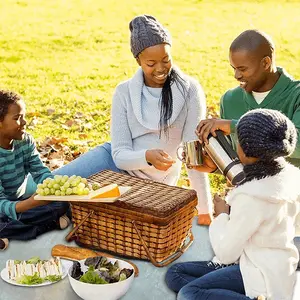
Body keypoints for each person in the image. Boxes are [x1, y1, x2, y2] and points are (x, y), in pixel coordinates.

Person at [53, 15, 214, 225]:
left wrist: (204, 210)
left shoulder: (190, 90)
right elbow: (119, 155)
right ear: (138, 61)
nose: (160, 68)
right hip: (112, 163)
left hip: (148, 186)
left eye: (166, 60)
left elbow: (193, 156)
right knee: (49, 187)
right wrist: (146, 156)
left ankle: (61, 216)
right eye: (151, 63)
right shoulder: (124, 92)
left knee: (76, 206)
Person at [165, 108, 300, 300]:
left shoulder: (251, 197)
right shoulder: (291, 178)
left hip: (259, 273)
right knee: (175, 274)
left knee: (189, 293)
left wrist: (222, 215)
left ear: (245, 150)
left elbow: (226, 253)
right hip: (275, 265)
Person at [196, 28, 300, 263]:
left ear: (266, 62)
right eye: (233, 68)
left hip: (290, 209)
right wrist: (216, 166)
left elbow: (298, 143)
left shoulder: (296, 95)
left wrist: (234, 126)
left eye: (242, 69)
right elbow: (244, 161)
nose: (236, 76)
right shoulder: (230, 100)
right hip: (249, 206)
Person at [0, 90, 70, 251]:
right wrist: (29, 204)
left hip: (21, 201)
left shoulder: (25, 141)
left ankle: (11, 232)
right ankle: (47, 224)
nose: (24, 122)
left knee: (64, 203)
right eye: (17, 118)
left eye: (23, 116)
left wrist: (54, 190)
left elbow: (40, 171)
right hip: (5, 207)